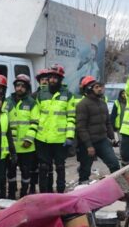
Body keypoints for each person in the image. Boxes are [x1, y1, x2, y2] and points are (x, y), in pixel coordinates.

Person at [27, 64, 76, 193]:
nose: (52, 80)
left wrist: (70, 136)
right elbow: (35, 117)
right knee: (43, 167)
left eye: (55, 77)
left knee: (60, 167)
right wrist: (32, 136)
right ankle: (44, 194)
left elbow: (71, 118)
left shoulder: (68, 95)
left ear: (61, 79)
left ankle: (60, 194)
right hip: (42, 139)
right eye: (50, 77)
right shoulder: (41, 94)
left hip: (60, 140)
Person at [75, 76, 120, 184]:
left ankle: (117, 186)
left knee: (114, 164)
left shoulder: (103, 103)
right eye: (97, 87)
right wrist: (89, 145)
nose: (100, 89)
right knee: (85, 170)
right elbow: (81, 127)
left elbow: (108, 122)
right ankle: (83, 186)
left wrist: (112, 137)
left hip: (102, 140)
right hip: (87, 143)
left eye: (100, 87)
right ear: (90, 89)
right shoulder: (82, 105)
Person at [6, 74, 38, 198]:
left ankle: (24, 194)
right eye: (17, 85)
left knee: (26, 173)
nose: (19, 88)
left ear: (27, 88)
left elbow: (35, 122)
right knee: (11, 173)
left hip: (26, 146)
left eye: (22, 86)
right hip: (11, 146)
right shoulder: (7, 101)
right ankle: (11, 195)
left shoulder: (32, 103)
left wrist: (29, 139)